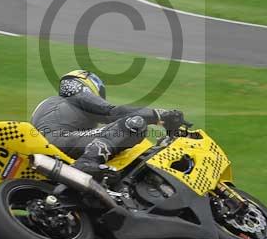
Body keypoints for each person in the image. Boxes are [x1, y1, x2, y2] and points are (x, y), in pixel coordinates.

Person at [31, 70, 184, 175]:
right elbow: (114, 112)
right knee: (133, 123)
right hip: (61, 142)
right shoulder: (77, 97)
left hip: (48, 151)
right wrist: (160, 115)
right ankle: (87, 162)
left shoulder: (55, 105)